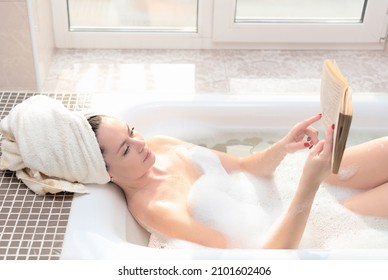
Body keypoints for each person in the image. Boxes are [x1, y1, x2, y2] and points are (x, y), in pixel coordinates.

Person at [87, 113, 340, 249]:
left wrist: (284, 146)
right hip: (293, 231)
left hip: (282, 211)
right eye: (126, 149)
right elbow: (263, 257)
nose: (140, 143)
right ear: (107, 174)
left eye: (131, 131)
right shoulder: (158, 208)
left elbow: (244, 166)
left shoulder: (160, 144)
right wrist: (309, 182)